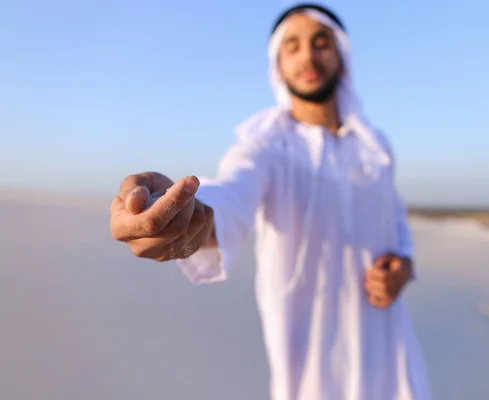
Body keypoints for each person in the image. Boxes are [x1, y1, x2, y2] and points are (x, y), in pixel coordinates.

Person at [110, 3, 430, 399]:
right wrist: (187, 216)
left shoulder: (376, 147)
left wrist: (404, 266)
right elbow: (230, 195)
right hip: (311, 375)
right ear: (278, 66)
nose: (308, 55)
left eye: (320, 42)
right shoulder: (266, 147)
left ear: (341, 57)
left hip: (390, 359)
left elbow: (396, 221)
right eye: (292, 46)